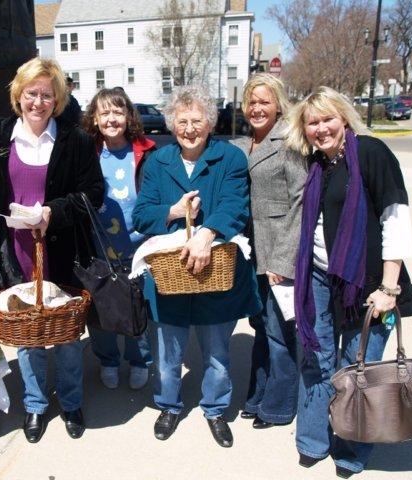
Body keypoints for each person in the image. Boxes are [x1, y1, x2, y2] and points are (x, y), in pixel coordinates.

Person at [285, 86, 412, 478]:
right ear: (304, 129)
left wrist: (390, 288)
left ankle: (352, 445)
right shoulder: (317, 164)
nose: (321, 128)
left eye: (328, 118)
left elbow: (394, 217)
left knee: (357, 368)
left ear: (344, 118)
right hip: (318, 277)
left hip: (369, 284)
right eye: (313, 122)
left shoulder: (372, 153)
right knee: (316, 358)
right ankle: (313, 439)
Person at [132, 85, 262, 448]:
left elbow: (236, 204)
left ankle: (216, 409)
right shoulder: (158, 161)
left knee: (218, 355)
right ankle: (169, 406)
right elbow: (142, 215)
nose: (190, 128)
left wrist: (207, 233)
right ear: (172, 125)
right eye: (182, 121)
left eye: (197, 120)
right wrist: (173, 211)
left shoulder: (230, 158)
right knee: (168, 355)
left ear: (210, 123)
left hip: (215, 274)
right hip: (170, 277)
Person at [0, 58, 104, 443]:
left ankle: (70, 401)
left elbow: (94, 195)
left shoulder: (76, 140)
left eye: (47, 95)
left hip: (63, 249)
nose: (38, 101)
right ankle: (35, 404)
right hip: (15, 250)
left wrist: (55, 211)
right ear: (19, 95)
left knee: (66, 333)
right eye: (31, 93)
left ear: (58, 100)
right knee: (26, 332)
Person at [231, 74, 306, 429]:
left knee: (279, 333)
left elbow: (301, 202)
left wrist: (284, 260)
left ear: (278, 104)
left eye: (265, 101)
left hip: (277, 253)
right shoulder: (243, 145)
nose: (257, 108)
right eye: (252, 102)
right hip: (250, 254)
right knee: (260, 326)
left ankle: (278, 407)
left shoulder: (289, 142)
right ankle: (257, 395)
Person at [81, 88, 156, 390]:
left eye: (118, 112)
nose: (111, 119)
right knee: (102, 309)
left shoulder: (146, 151)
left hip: (138, 248)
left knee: (138, 308)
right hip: (98, 248)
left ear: (128, 116)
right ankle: (108, 360)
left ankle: (140, 361)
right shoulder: (88, 151)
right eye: (105, 113)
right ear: (95, 118)